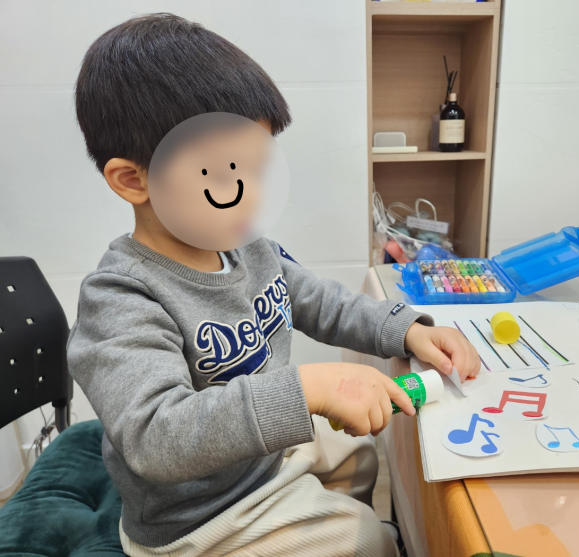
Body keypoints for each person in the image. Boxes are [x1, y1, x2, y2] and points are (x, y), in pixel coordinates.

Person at [68, 13, 480, 557]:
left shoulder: (246, 246)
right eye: (225, 176)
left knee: (359, 454)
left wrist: (406, 329)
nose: (254, 195)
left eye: (259, 170)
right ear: (133, 179)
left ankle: (331, 516)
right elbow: (155, 436)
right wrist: (306, 388)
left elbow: (319, 301)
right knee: (365, 539)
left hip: (260, 462)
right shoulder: (120, 296)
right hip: (201, 515)